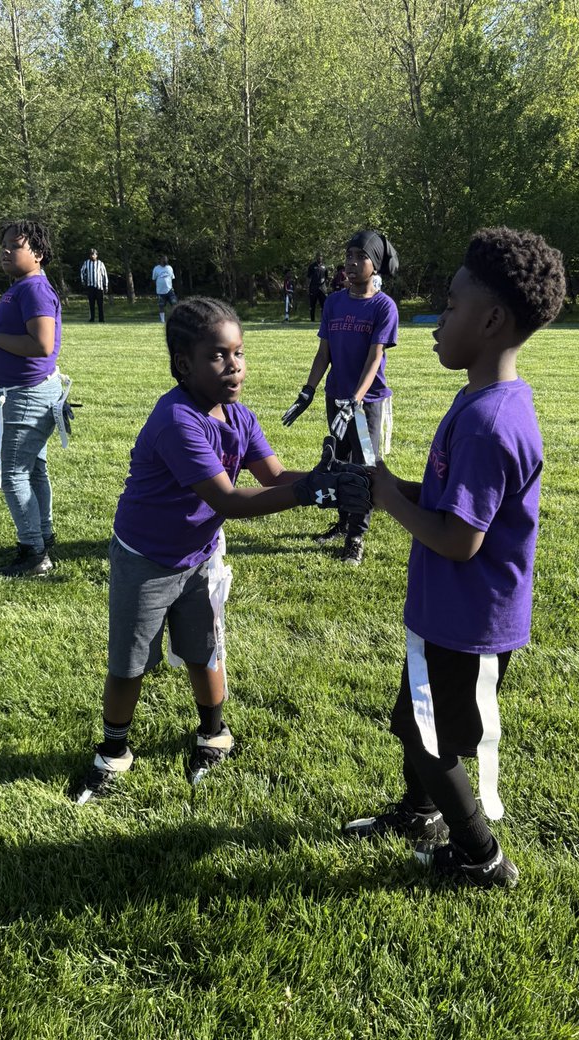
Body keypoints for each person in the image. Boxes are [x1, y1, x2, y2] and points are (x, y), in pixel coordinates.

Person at [71, 296, 371, 803]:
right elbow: (229, 500)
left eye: (239, 353)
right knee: (130, 661)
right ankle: (114, 751)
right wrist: (310, 493)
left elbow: (273, 477)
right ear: (184, 364)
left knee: (204, 648)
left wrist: (335, 480)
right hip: (147, 557)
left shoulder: (238, 415)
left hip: (201, 553)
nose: (233, 366)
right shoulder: (178, 422)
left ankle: (213, 734)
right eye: (217, 356)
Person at [343, 227, 566, 889]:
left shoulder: (492, 422)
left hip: (471, 623)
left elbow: (458, 539)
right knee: (414, 719)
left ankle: (483, 856)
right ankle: (419, 813)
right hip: (448, 613)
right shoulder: (480, 400)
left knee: (428, 739)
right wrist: (394, 485)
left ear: (492, 320)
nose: (439, 321)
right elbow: (449, 504)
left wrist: (387, 498)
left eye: (452, 306)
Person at [283, 229, 400, 567]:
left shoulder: (383, 306)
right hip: (336, 397)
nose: (350, 263)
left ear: (374, 264)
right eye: (348, 256)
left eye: (359, 257)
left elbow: (374, 357)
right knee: (338, 463)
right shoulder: (334, 302)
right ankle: (343, 523)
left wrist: (356, 401)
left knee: (363, 470)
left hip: (367, 402)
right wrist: (308, 391)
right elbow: (324, 354)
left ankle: (356, 538)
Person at [0, 220, 63, 578]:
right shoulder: (20, 287)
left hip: (26, 396)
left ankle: (33, 555)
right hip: (27, 393)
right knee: (33, 470)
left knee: (14, 474)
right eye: (3, 245)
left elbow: (41, 345)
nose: (4, 251)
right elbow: (14, 323)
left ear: (37, 253)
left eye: (14, 246)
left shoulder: (33, 289)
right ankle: (43, 539)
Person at [80, 248, 109, 323]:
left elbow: (104, 274)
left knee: (100, 304)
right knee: (91, 304)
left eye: (94, 254)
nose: (92, 256)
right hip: (90, 286)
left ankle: (101, 319)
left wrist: (106, 285)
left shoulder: (100, 263)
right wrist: (83, 280)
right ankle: (92, 318)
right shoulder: (86, 263)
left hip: (99, 286)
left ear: (96, 255)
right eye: (91, 254)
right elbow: (82, 271)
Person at [152, 254, 177, 324]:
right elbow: (154, 279)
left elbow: (172, 278)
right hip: (160, 291)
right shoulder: (156, 269)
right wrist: (159, 285)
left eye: (166, 259)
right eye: (164, 259)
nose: (165, 260)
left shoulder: (169, 268)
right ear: (160, 260)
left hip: (170, 290)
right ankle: (162, 320)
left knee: (174, 304)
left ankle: (174, 319)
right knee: (161, 305)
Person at [306, 253, 328, 322]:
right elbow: (308, 277)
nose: (319, 258)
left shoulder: (324, 267)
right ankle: (312, 320)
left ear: (322, 258)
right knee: (312, 305)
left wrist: (326, 287)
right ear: (316, 257)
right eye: (318, 257)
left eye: (320, 257)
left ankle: (323, 320)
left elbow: (326, 277)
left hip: (322, 288)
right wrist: (307, 287)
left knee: (324, 305)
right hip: (313, 288)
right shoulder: (312, 266)